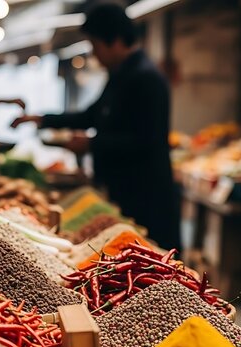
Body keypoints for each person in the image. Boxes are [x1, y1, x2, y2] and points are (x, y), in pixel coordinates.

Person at [12, 3, 180, 250]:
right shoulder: (121, 75)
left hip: (146, 196)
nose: (94, 54)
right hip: (124, 190)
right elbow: (91, 116)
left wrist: (91, 143)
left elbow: (147, 140)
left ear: (115, 40)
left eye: (95, 45)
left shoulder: (146, 78)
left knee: (152, 262)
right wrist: (41, 119)